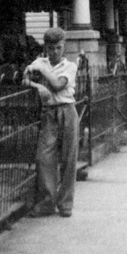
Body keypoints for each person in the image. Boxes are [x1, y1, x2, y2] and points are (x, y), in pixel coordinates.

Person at [23, 27, 78, 218]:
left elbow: (57, 85)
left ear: (64, 47)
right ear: (45, 47)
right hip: (48, 113)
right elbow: (24, 80)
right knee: (44, 157)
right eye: (51, 48)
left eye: (58, 48)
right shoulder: (39, 62)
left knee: (69, 158)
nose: (54, 52)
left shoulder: (70, 66)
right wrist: (37, 86)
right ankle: (47, 202)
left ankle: (66, 203)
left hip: (67, 111)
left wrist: (42, 70)